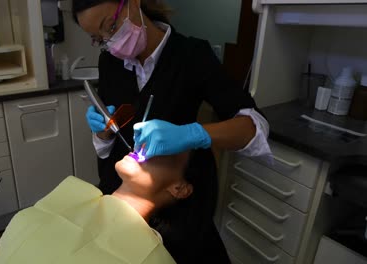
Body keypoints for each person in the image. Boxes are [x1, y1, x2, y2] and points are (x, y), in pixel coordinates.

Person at [73, 0, 270, 262]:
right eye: (99, 39)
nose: (110, 41)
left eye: (109, 26)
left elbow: (253, 128)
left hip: (175, 213)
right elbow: (111, 135)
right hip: (118, 203)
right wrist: (104, 132)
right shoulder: (110, 61)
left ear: (133, 3)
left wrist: (194, 133)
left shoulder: (191, 54)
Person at [0, 149, 225, 263]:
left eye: (166, 149)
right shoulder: (68, 202)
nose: (147, 146)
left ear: (180, 188)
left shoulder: (149, 257)